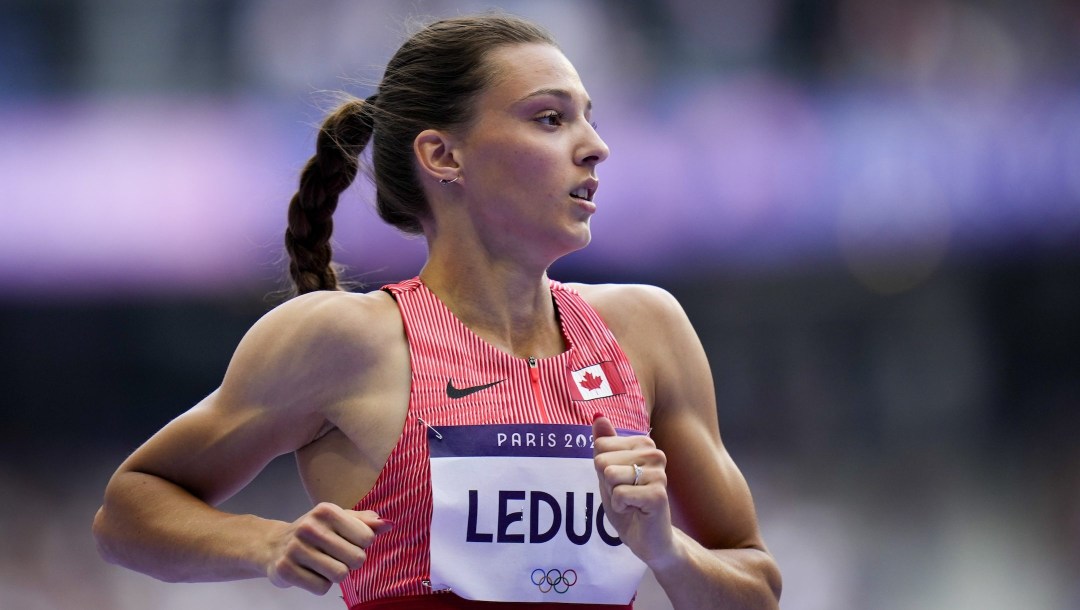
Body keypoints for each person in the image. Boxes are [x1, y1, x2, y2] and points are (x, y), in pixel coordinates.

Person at [92, 13, 781, 610]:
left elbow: (755, 589)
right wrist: (265, 542)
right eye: (550, 118)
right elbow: (127, 511)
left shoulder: (645, 331)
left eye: (588, 119)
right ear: (443, 155)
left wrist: (665, 550)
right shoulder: (347, 340)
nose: (595, 146)